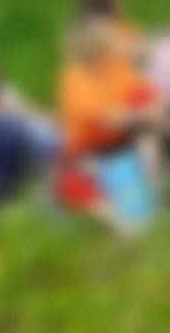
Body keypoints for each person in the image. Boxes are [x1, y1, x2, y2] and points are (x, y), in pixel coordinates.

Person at [55, 13, 166, 231]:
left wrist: (154, 107)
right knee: (71, 183)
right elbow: (105, 120)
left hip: (122, 138)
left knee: (149, 138)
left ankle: (151, 198)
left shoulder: (114, 68)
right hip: (88, 148)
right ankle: (118, 218)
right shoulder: (74, 77)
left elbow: (142, 93)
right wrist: (145, 113)